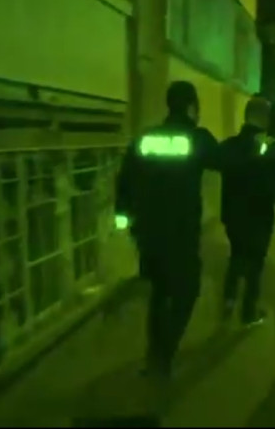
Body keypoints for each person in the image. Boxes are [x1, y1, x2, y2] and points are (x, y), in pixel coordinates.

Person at [114, 81, 221, 378]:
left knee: (160, 292)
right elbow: (224, 161)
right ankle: (164, 354)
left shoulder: (146, 138)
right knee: (188, 290)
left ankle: (154, 356)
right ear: (191, 107)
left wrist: (123, 218)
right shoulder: (196, 137)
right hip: (181, 232)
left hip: (147, 231)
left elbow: (125, 179)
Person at [219, 97, 275, 326]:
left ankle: (229, 300)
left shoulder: (229, 145)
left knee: (236, 254)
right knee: (255, 264)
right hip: (259, 216)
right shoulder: (272, 147)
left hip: (231, 214)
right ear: (265, 118)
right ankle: (248, 312)